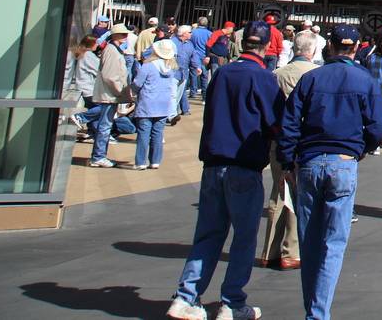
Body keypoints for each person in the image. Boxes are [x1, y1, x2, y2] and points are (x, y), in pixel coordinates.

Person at [165, 22, 282, 320]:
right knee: (243, 237)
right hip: (244, 164)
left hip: (214, 162)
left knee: (207, 234)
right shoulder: (264, 78)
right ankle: (232, 302)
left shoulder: (222, 74)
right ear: (267, 46)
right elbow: (277, 122)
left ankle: (186, 296)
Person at [278, 24, 382, 320]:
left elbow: (289, 122)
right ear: (356, 48)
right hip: (343, 160)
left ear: (330, 47)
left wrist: (288, 161)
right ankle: (318, 312)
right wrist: (361, 148)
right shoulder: (364, 80)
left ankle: (313, 309)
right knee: (333, 242)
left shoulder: (311, 78)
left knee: (309, 239)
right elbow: (379, 124)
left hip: (311, 160)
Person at [261, 33, 318, 271]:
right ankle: (291, 250)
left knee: (277, 192)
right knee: (299, 193)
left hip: (279, 139)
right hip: (305, 141)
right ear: (313, 51)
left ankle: (269, 251)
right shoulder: (316, 75)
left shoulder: (276, 74)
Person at [89, 22, 136, 168]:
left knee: (105, 125)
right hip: (109, 95)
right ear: (114, 35)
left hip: (111, 94)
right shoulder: (111, 50)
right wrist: (120, 92)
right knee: (105, 126)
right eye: (123, 34)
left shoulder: (113, 49)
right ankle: (98, 157)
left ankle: (99, 156)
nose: (125, 36)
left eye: (126, 34)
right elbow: (110, 76)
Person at [132, 40, 182, 170]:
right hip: (163, 104)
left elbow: (137, 83)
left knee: (143, 133)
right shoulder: (171, 67)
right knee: (158, 133)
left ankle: (140, 162)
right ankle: (155, 161)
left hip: (147, 103)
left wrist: (132, 92)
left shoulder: (148, 66)